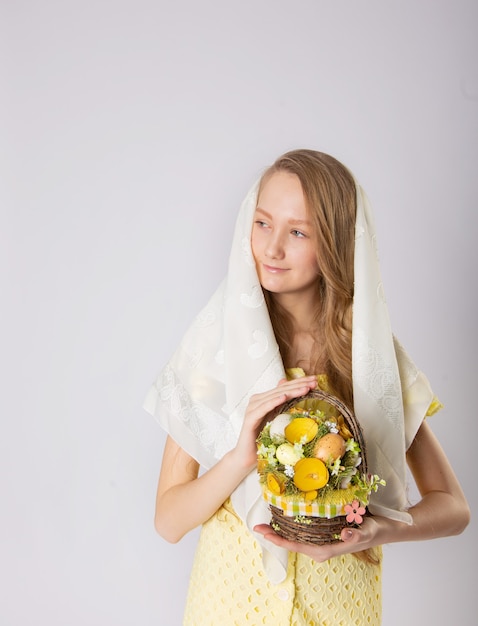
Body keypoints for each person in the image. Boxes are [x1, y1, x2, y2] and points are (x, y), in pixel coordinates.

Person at [144, 149, 470, 625]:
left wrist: (374, 532)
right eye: (262, 223)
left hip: (340, 608)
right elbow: (168, 522)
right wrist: (240, 456)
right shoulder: (211, 350)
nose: (271, 248)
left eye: (298, 232)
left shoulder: (371, 357)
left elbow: (454, 509)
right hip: (229, 608)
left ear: (336, 243)